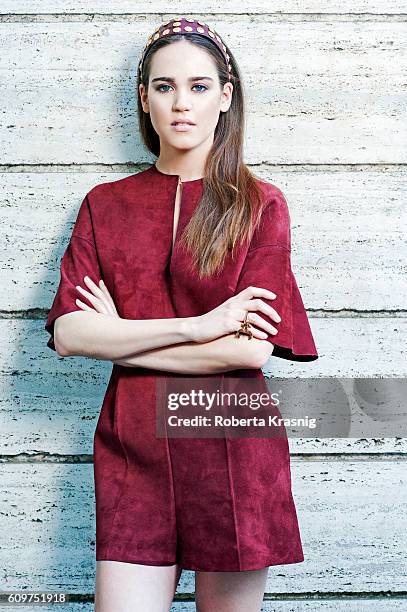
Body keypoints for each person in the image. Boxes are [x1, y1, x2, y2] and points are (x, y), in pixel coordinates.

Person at [45, 17, 318, 612]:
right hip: (132, 445)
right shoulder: (103, 204)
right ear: (144, 101)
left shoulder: (261, 204)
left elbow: (249, 350)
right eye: (164, 87)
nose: (180, 103)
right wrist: (201, 326)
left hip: (231, 445)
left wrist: (116, 336)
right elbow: (68, 333)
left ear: (226, 97)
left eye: (199, 86)